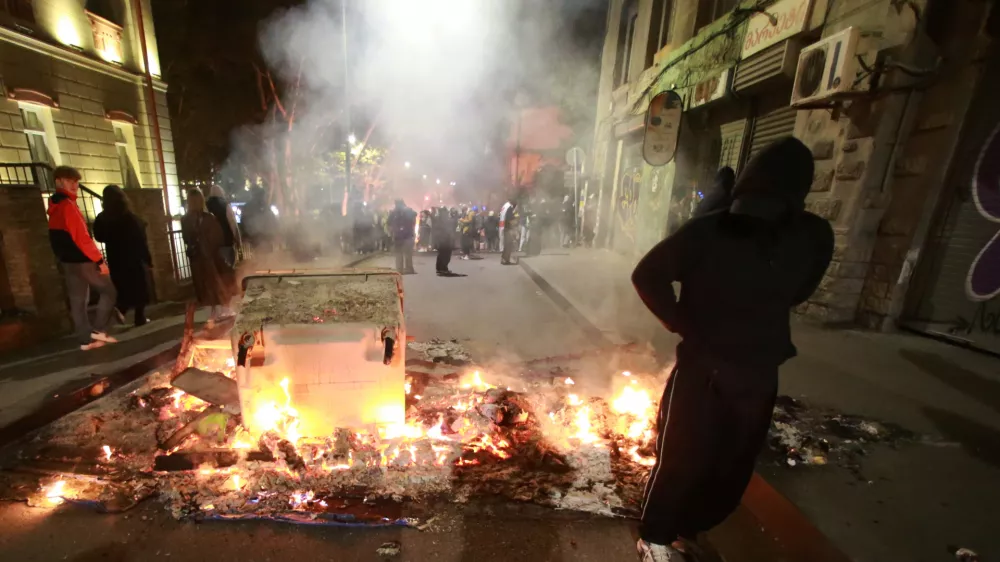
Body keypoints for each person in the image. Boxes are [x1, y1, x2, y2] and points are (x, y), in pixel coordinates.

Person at [630, 137, 833, 562]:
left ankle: (677, 533)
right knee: (705, 463)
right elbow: (648, 274)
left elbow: (649, 275)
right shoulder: (802, 234)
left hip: (737, 372)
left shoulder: (724, 230)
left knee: (713, 464)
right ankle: (658, 538)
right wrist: (700, 326)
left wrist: (687, 324)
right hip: (732, 370)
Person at [47, 166, 118, 350]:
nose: (75, 185)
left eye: (76, 181)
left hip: (67, 261)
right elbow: (82, 238)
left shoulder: (55, 206)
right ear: (59, 181)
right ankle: (99, 329)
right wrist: (100, 261)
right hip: (82, 260)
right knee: (109, 290)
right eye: (70, 181)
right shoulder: (68, 206)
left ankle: (85, 340)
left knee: (78, 301)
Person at [93, 185, 152, 328]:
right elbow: (140, 239)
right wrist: (147, 259)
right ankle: (139, 317)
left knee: (123, 287)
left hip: (116, 258)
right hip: (133, 258)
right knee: (139, 288)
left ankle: (121, 310)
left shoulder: (104, 218)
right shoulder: (129, 217)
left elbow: (99, 236)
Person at [182, 188, 237, 327]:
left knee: (203, 289)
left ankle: (211, 317)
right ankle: (222, 315)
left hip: (197, 261)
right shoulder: (209, 218)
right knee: (218, 285)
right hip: (212, 259)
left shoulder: (185, 220)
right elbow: (218, 238)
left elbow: (186, 239)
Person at [388, 199, 417, 274]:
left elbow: (389, 223)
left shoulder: (393, 213)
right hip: (408, 235)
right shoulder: (408, 211)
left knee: (399, 253)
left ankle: (399, 269)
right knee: (407, 253)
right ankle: (409, 269)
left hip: (399, 236)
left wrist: (392, 233)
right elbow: (414, 216)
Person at [434, 207, 455, 275]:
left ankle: (439, 268)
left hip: (441, 240)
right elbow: (448, 229)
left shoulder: (438, 219)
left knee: (441, 254)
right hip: (445, 240)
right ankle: (443, 268)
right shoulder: (444, 220)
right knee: (445, 255)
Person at [500, 200, 517, 265]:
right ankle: (505, 260)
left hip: (504, 227)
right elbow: (510, 219)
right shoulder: (510, 208)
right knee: (508, 245)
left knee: (507, 244)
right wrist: (513, 227)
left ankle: (504, 259)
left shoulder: (505, 206)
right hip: (508, 228)